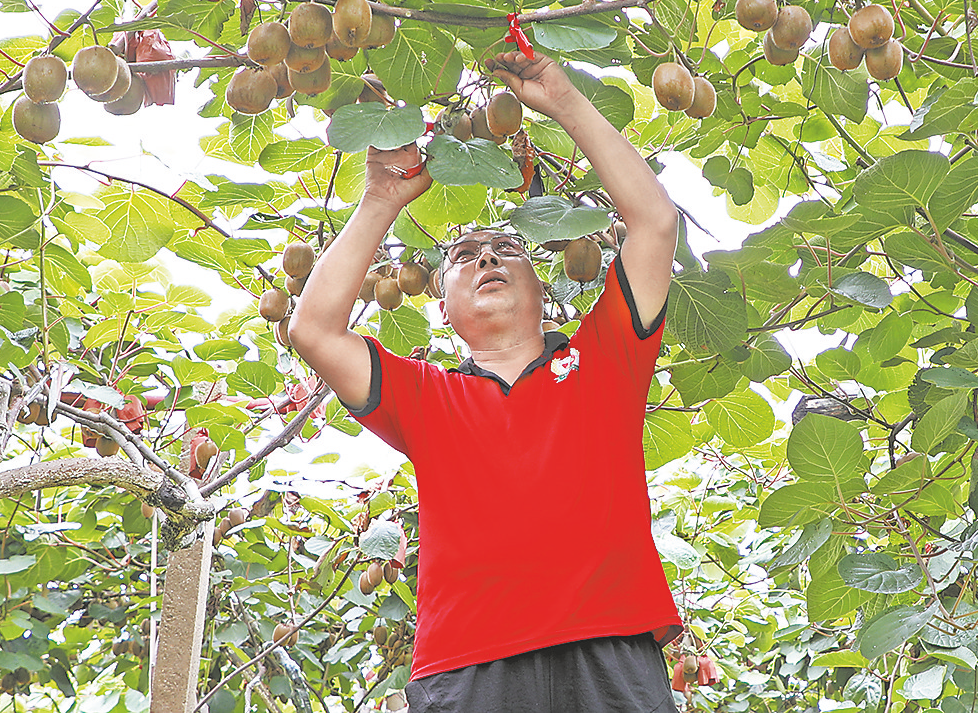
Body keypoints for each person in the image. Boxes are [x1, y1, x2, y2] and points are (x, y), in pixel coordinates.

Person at [289, 51, 684, 712]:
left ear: (541, 289)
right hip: (469, 664)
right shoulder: (429, 396)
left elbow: (654, 223)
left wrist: (562, 98)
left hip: (609, 646)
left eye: (507, 250)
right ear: (442, 308)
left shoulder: (603, 360)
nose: (489, 257)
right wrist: (381, 199)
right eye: (464, 257)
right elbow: (315, 331)